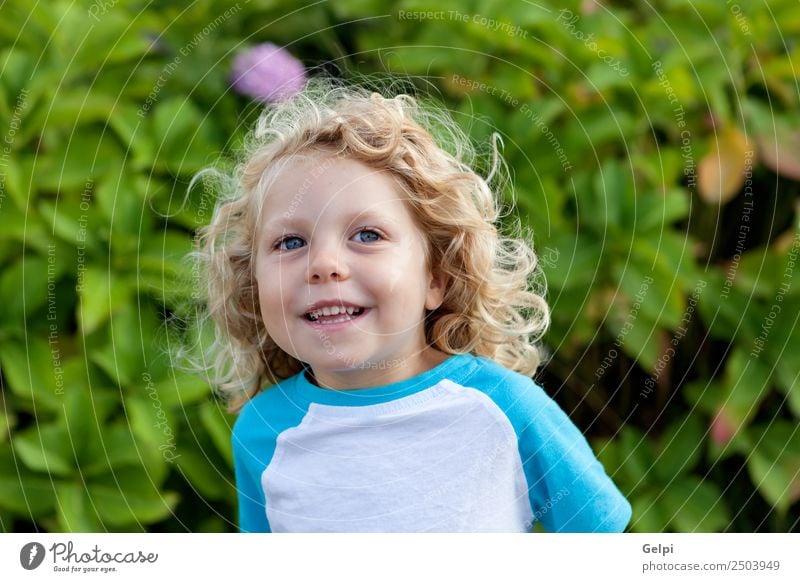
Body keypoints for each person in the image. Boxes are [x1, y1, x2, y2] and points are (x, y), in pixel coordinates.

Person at [192, 78, 632, 533]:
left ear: (436, 279)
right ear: (253, 283)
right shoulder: (263, 431)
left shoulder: (504, 410)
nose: (322, 265)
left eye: (367, 235)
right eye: (290, 242)